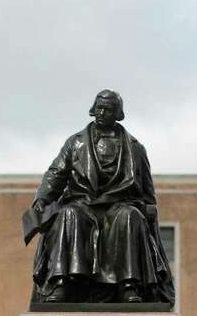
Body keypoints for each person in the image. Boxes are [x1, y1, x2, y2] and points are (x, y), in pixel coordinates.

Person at [24, 89, 175, 305]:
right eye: (99, 108)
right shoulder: (75, 143)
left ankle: (128, 286)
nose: (102, 113)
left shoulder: (135, 149)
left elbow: (147, 193)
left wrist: (148, 210)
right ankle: (61, 283)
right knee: (68, 215)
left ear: (118, 113)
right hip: (82, 203)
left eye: (108, 109)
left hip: (119, 205)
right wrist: (42, 199)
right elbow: (56, 174)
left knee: (131, 217)